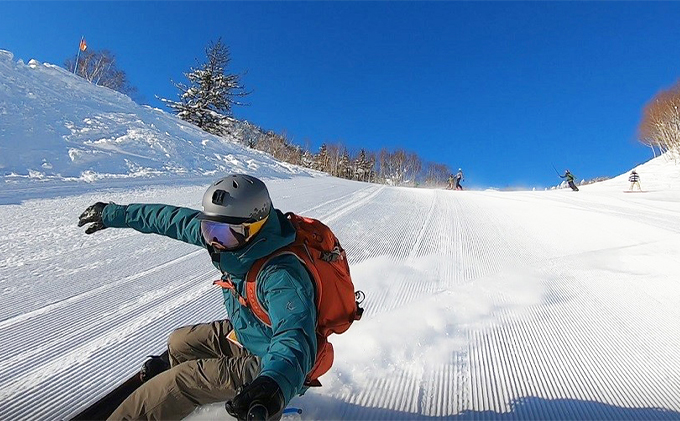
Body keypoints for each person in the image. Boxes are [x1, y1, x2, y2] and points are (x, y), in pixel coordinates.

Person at [78, 174, 318, 421]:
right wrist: (112, 214)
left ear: (254, 229)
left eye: (223, 234)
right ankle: (174, 404)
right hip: (252, 331)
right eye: (208, 228)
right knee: (179, 342)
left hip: (273, 365)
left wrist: (273, 385)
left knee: (182, 380)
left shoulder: (281, 275)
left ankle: (170, 395)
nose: (214, 242)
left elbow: (295, 337)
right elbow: (170, 220)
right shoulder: (229, 234)